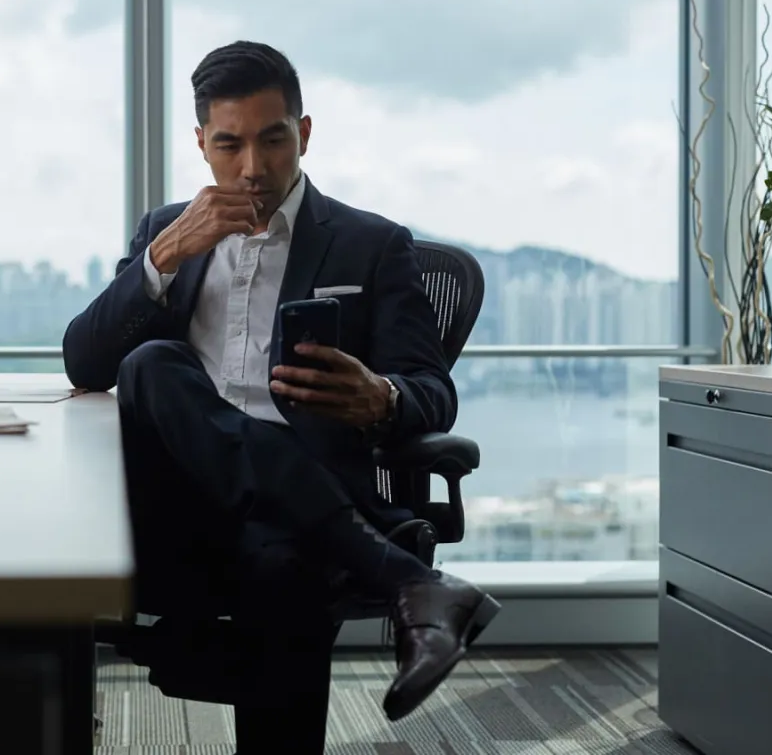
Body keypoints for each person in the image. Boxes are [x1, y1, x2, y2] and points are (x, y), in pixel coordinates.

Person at [63, 40, 498, 743]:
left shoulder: (372, 244)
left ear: (304, 133)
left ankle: (366, 571)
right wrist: (165, 254)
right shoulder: (166, 232)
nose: (254, 168)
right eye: (229, 145)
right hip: (179, 505)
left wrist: (381, 396)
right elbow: (83, 359)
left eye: (272, 141)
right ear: (201, 143)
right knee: (149, 363)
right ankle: (402, 574)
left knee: (283, 571)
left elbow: (431, 394)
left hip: (297, 516)